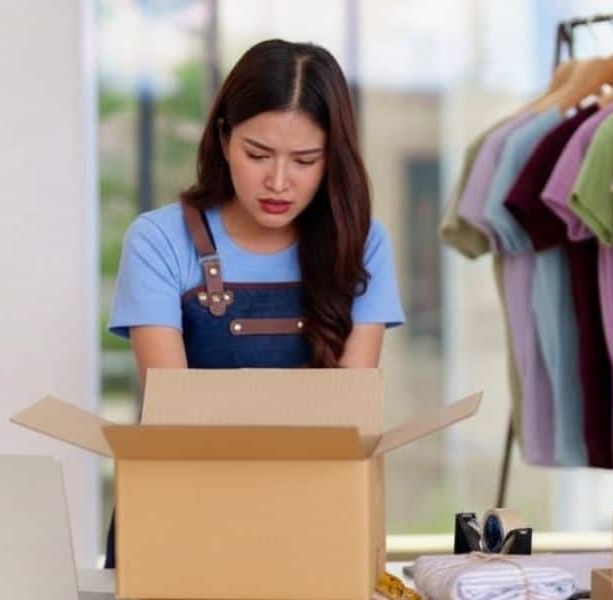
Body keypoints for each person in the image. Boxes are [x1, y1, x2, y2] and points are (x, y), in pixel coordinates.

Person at [103, 39, 405, 569]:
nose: (279, 182)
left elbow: (349, 417)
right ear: (223, 138)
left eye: (305, 160)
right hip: (178, 514)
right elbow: (176, 415)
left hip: (309, 516)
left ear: (332, 157)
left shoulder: (363, 244)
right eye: (258, 154)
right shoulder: (158, 240)